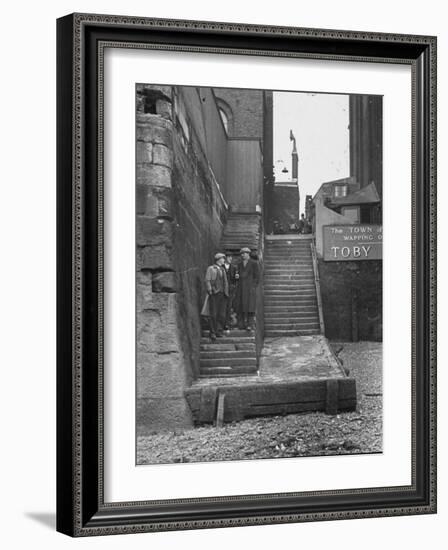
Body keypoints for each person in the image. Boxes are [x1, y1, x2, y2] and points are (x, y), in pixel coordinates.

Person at [204, 252, 229, 341]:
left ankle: (219, 331)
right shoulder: (211, 268)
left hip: (223, 294)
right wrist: (210, 290)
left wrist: (226, 292)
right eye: (223, 258)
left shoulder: (223, 269)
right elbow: (207, 280)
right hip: (214, 293)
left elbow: (225, 282)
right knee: (213, 314)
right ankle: (213, 332)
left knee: (221, 314)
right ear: (218, 259)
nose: (224, 260)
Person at [234, 247, 259, 332]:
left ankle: (249, 325)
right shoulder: (239, 264)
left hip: (249, 289)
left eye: (244, 253)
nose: (242, 255)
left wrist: (253, 287)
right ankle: (241, 325)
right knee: (240, 306)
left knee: (250, 308)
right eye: (241, 254)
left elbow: (257, 277)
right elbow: (237, 275)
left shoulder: (254, 263)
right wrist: (236, 277)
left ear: (248, 254)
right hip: (241, 288)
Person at [223, 251, 238, 332]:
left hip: (230, 290)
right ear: (225, 258)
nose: (230, 259)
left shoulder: (234, 267)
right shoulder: (221, 266)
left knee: (229, 307)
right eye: (229, 257)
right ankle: (220, 324)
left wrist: (236, 278)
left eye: (231, 258)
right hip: (222, 290)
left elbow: (235, 280)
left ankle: (227, 324)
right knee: (222, 307)